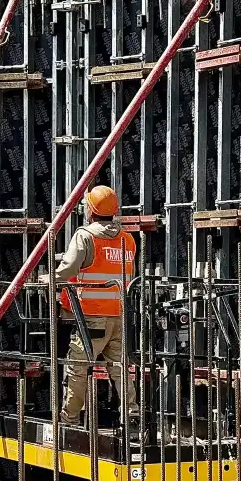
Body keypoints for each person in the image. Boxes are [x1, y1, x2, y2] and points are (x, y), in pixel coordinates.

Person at [41, 185, 139, 432]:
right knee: (120, 370)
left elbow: (68, 270)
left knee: (78, 368)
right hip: (118, 316)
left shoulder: (85, 236)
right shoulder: (127, 239)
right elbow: (131, 275)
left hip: (91, 319)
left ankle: (70, 421)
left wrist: (48, 278)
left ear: (90, 210)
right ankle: (133, 417)